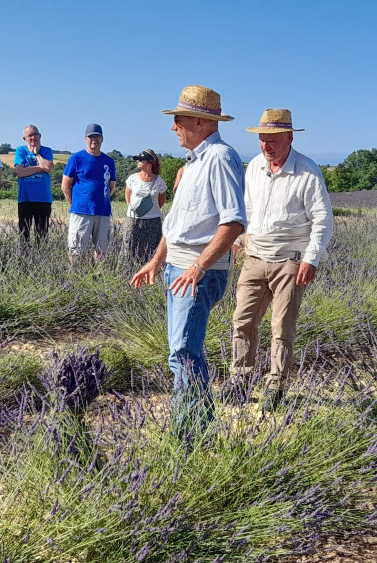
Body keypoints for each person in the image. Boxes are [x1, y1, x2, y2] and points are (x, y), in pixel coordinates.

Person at [130, 85, 246, 442]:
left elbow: (234, 221)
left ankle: (190, 436)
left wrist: (198, 267)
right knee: (182, 352)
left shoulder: (221, 158)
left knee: (184, 353)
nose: (173, 126)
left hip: (197, 272)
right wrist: (156, 260)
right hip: (176, 268)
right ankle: (198, 428)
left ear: (199, 120)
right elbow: (179, 222)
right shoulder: (193, 162)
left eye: (178, 119)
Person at [230, 109, 333, 411]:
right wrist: (238, 241)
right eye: (263, 139)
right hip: (254, 255)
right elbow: (246, 207)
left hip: (290, 260)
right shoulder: (254, 168)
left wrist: (311, 258)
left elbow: (322, 218)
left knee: (281, 327)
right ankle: (241, 379)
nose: (266, 146)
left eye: (273, 139)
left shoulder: (307, 171)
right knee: (242, 321)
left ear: (289, 137)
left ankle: (276, 384)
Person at [61, 124, 116, 262]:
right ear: (86, 139)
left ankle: (99, 276)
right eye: (91, 136)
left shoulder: (109, 161)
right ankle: (75, 277)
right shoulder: (76, 158)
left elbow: (111, 186)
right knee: (76, 250)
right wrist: (76, 204)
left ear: (102, 139)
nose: (94, 140)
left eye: (97, 136)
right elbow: (65, 186)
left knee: (101, 250)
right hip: (81, 211)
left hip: (102, 211)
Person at [124, 149, 168, 261]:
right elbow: (128, 197)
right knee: (129, 248)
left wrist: (149, 210)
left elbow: (161, 201)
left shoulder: (159, 181)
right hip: (133, 219)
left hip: (153, 221)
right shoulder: (133, 178)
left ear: (150, 162)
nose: (137, 161)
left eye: (141, 159)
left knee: (151, 251)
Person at [14, 125, 54, 243]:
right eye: (30, 135)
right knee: (24, 233)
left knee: (42, 234)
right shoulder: (21, 151)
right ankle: (25, 256)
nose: (33, 137)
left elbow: (48, 167)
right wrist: (39, 168)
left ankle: (40, 258)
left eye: (35, 134)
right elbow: (20, 172)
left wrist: (37, 154)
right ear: (24, 138)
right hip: (25, 198)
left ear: (40, 136)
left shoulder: (47, 151)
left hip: (43, 198)